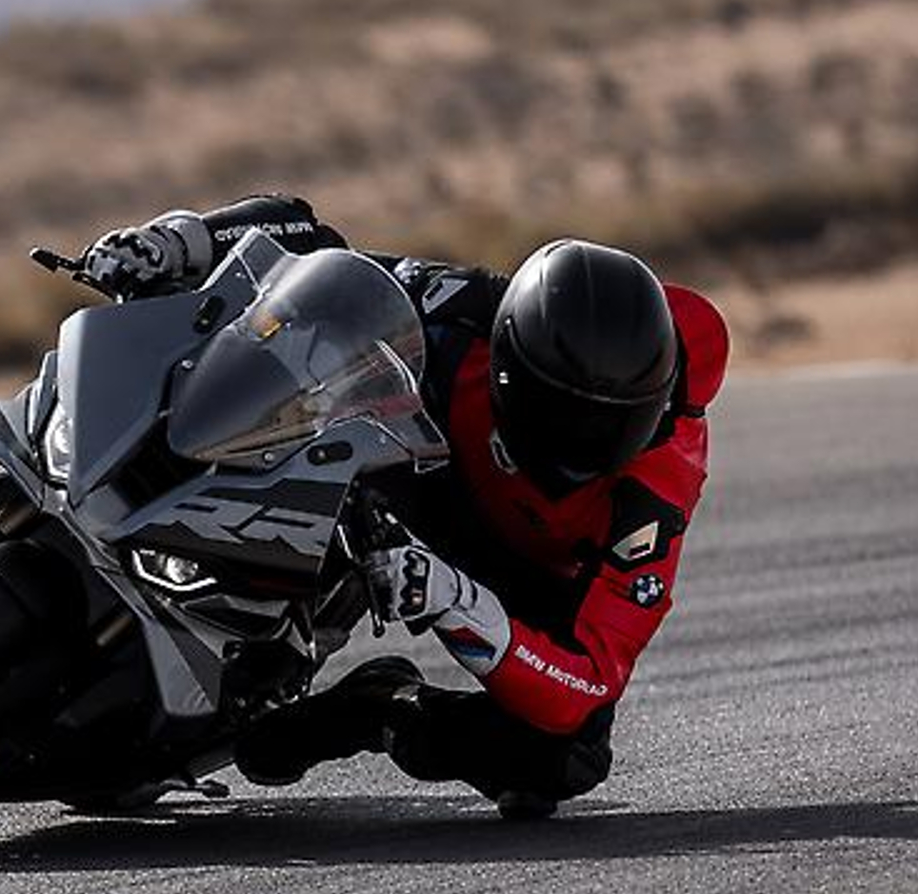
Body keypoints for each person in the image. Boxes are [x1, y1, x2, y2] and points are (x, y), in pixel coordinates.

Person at [79, 195, 730, 819]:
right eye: (562, 412)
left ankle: (375, 711)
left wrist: (455, 599)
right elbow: (313, 247)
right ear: (510, 354)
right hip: (413, 472)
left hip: (527, 573)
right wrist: (179, 241)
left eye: (611, 425)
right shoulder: (474, 305)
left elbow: (591, 677)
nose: (581, 445)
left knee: (561, 757)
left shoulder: (657, 491)